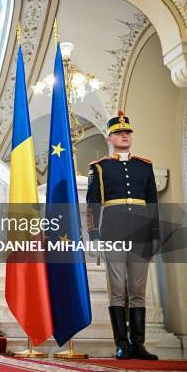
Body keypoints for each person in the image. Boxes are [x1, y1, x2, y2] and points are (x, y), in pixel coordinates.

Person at [86, 111, 158, 361]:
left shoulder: (144, 166)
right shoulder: (100, 168)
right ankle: (122, 345)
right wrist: (94, 235)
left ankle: (138, 344)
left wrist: (155, 235)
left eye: (127, 132)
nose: (124, 135)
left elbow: (152, 203)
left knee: (138, 290)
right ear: (110, 138)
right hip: (114, 232)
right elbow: (93, 203)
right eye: (118, 132)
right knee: (117, 289)